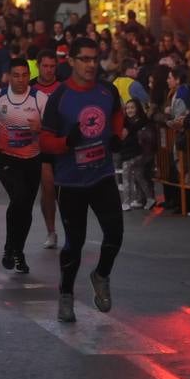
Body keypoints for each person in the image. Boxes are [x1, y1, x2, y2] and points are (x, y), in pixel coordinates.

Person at [39, 37, 125, 322]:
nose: (91, 65)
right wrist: (67, 142)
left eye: (94, 59)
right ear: (72, 61)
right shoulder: (60, 97)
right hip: (71, 181)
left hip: (101, 176)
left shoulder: (107, 90)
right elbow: (45, 141)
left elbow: (117, 112)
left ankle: (101, 275)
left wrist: (115, 135)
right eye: (85, 59)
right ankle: (66, 295)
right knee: (74, 243)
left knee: (115, 234)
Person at [0, 57, 49, 274]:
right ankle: (10, 248)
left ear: (29, 76)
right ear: (9, 76)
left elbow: (53, 127)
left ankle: (18, 251)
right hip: (7, 159)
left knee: (26, 207)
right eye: (16, 75)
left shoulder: (40, 99)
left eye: (24, 75)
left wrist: (41, 128)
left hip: (32, 159)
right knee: (18, 198)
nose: (20, 80)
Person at [31, 49, 62, 248]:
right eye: (45, 66)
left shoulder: (63, 87)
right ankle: (51, 231)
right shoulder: (29, 87)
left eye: (52, 66)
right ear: (38, 66)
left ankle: (69, 226)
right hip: (40, 146)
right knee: (48, 188)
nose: (49, 70)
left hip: (62, 144)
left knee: (65, 191)